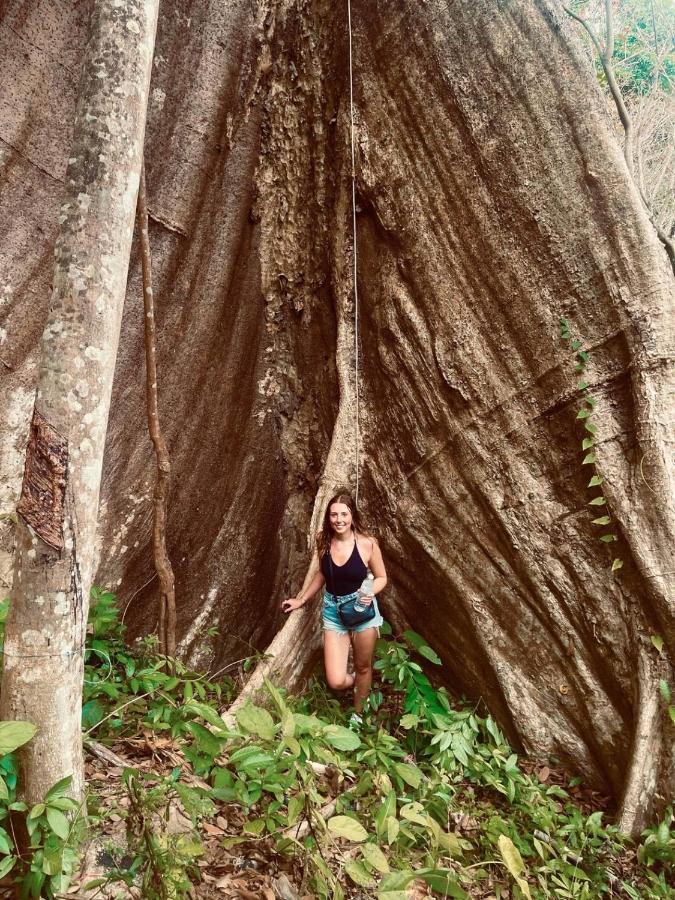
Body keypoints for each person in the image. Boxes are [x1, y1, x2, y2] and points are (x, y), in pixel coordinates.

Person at [282, 492, 387, 721]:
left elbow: (381, 577)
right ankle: (363, 687)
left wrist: (369, 591)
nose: (338, 519)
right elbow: (322, 573)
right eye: (333, 515)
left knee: (362, 666)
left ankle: (358, 717)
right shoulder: (323, 540)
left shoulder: (367, 544)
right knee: (337, 680)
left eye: (344, 514)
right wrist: (301, 599)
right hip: (333, 611)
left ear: (352, 516)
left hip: (362, 610)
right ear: (328, 517)